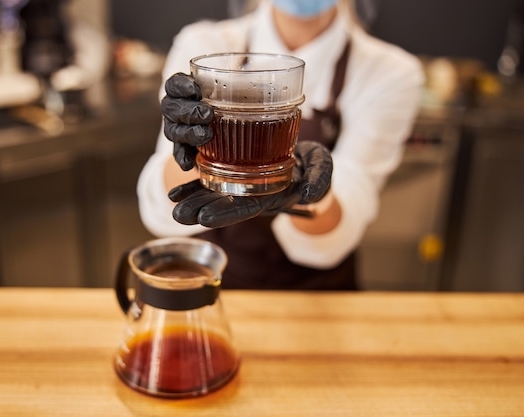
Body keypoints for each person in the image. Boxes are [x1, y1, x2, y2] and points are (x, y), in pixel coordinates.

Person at [137, 0, 425, 290]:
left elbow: (341, 227)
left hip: (317, 295)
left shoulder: (391, 72)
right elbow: (161, 210)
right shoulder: (203, 45)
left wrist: (311, 195)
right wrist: (194, 153)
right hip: (211, 278)